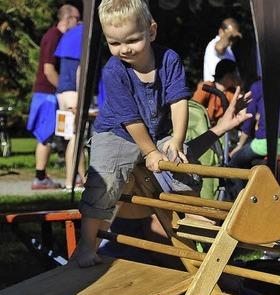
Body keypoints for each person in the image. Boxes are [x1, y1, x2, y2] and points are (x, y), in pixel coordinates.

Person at [74, 0, 202, 267]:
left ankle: (195, 215)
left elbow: (178, 101)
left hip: (157, 131)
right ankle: (86, 245)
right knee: (104, 180)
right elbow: (130, 119)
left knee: (183, 160)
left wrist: (176, 140)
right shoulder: (114, 70)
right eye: (114, 43)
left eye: (132, 40)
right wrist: (150, 151)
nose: (124, 49)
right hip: (117, 132)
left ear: (151, 31)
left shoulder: (169, 59)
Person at [225, 55, 280, 199]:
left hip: (266, 143)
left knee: (233, 164)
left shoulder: (258, 86)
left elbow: (249, 120)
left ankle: (241, 201)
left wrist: (239, 145)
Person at [27, 4, 81, 190]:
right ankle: (39, 177)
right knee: (46, 134)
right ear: (67, 19)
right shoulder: (54, 37)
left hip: (50, 93)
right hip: (47, 93)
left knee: (61, 134)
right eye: (77, 18)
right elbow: (49, 70)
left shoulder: (60, 37)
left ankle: (52, 175)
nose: (79, 22)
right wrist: (63, 89)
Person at [54, 20, 87, 191]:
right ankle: (70, 182)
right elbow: (81, 70)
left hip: (62, 92)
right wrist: (82, 99)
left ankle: (80, 179)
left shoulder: (68, 36)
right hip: (73, 93)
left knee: (72, 139)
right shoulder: (85, 33)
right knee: (76, 138)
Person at [192, 59, 240, 124]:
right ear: (227, 75)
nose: (236, 76)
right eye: (234, 73)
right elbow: (193, 109)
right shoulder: (206, 88)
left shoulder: (232, 93)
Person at [203, 18, 242, 82]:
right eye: (231, 36)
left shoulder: (229, 50)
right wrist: (230, 32)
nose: (232, 40)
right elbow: (219, 47)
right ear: (221, 31)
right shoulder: (213, 44)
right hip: (214, 89)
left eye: (234, 37)